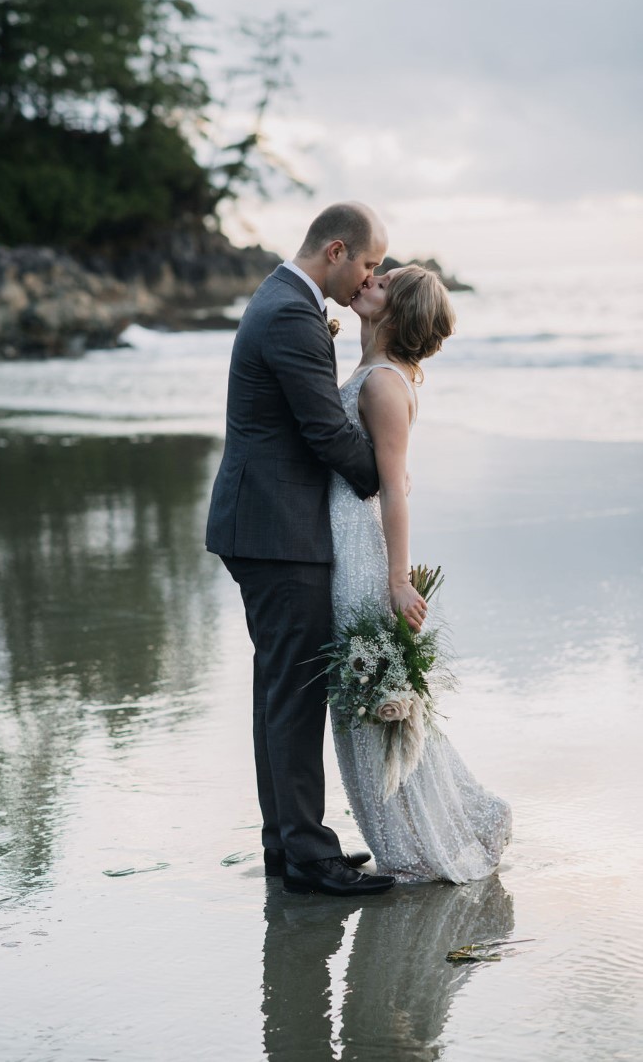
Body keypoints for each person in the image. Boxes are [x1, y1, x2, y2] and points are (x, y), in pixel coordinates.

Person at [206, 202, 396, 896]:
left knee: (279, 690)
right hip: (276, 529)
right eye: (369, 264)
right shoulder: (290, 312)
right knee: (294, 692)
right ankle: (309, 856)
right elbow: (324, 431)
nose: (370, 278)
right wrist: (387, 474)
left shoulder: (286, 299)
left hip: (266, 523)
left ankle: (288, 847)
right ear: (337, 250)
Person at [330, 264, 512, 881]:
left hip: (361, 549)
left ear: (398, 312)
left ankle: (418, 843)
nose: (368, 280)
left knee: (369, 698)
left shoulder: (384, 384)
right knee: (365, 698)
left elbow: (393, 490)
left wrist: (398, 579)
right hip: (345, 535)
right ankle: (411, 835)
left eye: (382, 284)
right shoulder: (378, 370)